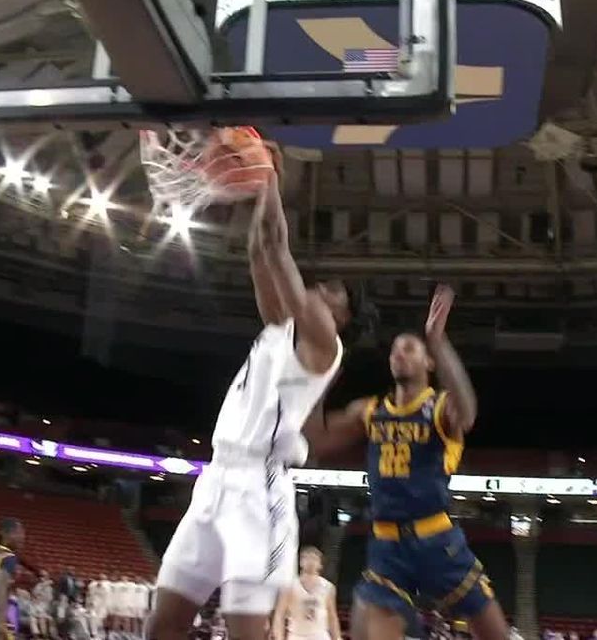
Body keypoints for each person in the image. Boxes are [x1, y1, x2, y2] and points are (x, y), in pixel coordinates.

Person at [150, 143, 360, 640]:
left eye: (332, 292)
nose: (321, 290)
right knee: (163, 623)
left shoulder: (324, 346)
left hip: (258, 491)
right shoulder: (278, 327)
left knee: (246, 630)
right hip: (215, 480)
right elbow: (260, 248)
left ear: (343, 318)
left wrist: (271, 177)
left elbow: (280, 252)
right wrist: (266, 181)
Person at [304, 285, 508, 640]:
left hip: (438, 541)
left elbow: (468, 412)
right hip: (386, 547)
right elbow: (314, 441)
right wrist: (320, 380)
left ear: (428, 362)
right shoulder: (370, 411)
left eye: (410, 348)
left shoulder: (440, 408)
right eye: (395, 349)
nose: (399, 353)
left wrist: (437, 339)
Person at [271, 547, 341, 640]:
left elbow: (332, 616)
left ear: (320, 564)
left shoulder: (328, 587)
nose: (310, 561)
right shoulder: (289, 586)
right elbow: (279, 615)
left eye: (314, 558)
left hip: (320, 635)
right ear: (300, 562)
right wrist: (279, 637)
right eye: (306, 557)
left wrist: (337, 637)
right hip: (297, 635)